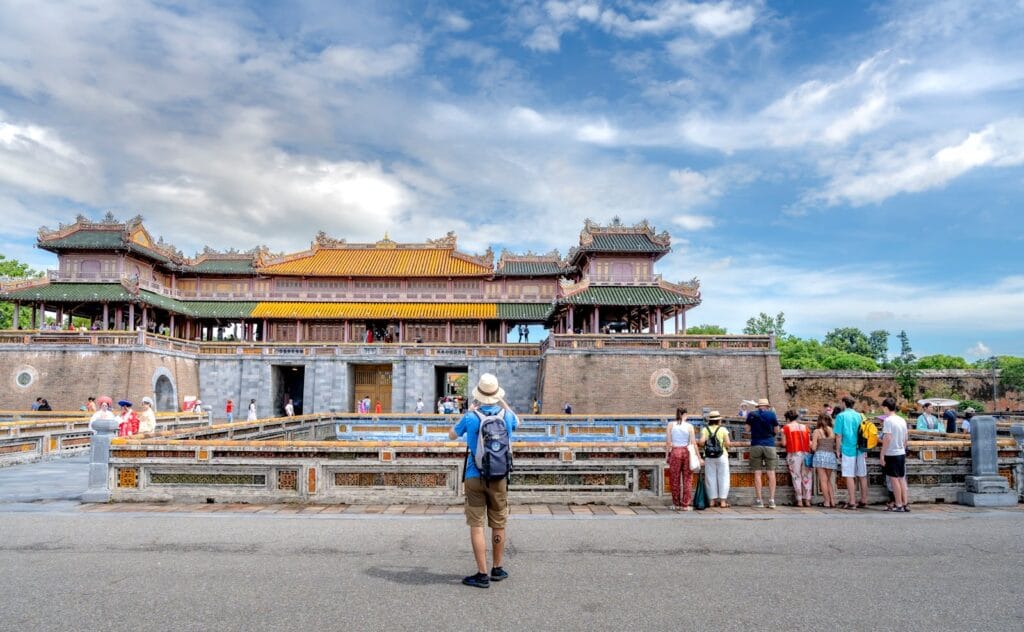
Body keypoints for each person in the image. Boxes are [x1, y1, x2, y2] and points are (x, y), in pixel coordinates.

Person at [449, 373, 519, 588]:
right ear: (496, 394)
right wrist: (501, 401)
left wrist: (470, 411)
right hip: (499, 477)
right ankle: (497, 568)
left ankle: (481, 574)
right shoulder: (506, 416)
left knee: (477, 525)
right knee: (498, 523)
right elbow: (517, 421)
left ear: (478, 394)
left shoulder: (471, 417)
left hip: (473, 475)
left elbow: (451, 435)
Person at [834, 395, 868, 509]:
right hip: (861, 449)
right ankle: (863, 499)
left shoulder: (841, 416)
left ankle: (852, 501)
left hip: (848, 448)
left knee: (849, 475)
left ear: (844, 403)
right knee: (862, 475)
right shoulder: (860, 416)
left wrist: (837, 450)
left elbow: (838, 435)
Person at [746, 398, 779, 508]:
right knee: (771, 472)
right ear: (767, 406)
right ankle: (772, 500)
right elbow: (776, 430)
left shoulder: (751, 414)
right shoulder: (772, 415)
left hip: (756, 444)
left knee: (757, 473)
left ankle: (759, 500)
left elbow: (747, 429)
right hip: (769, 444)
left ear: (758, 406)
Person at [665, 407, 699, 511]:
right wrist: (698, 456)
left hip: (675, 452)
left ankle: (676, 504)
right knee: (687, 479)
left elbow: (668, 443)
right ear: (685, 415)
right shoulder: (689, 426)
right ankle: (685, 505)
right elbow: (693, 443)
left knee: (674, 479)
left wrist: (667, 455)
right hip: (686, 452)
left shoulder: (670, 425)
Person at [880, 397, 909, 512]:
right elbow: (906, 438)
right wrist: (902, 447)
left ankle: (898, 504)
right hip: (901, 452)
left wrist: (882, 454)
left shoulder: (888, 420)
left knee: (894, 479)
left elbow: (887, 438)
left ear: (886, 408)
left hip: (891, 453)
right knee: (901, 478)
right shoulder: (902, 420)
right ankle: (905, 503)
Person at [698, 410, 730, 507]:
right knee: (723, 477)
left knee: (710, 478)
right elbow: (728, 443)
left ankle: (712, 500)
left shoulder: (705, 429)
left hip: (709, 456)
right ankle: (723, 501)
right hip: (722, 455)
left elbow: (701, 442)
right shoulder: (723, 429)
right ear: (719, 420)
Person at [780, 409, 813, 507]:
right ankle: (807, 500)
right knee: (807, 477)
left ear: (787, 418)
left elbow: (784, 443)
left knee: (796, 477)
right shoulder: (805, 427)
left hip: (794, 454)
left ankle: (799, 500)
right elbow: (809, 443)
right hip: (806, 454)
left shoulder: (785, 428)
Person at [810, 413, 838, 508]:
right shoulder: (833, 431)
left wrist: (812, 444)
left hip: (820, 456)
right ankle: (833, 501)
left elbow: (813, 448)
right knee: (829, 480)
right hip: (831, 456)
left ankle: (826, 501)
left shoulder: (817, 431)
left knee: (823, 480)